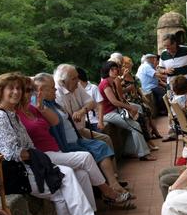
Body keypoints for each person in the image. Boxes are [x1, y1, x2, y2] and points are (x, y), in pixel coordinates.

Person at [0, 72, 96, 215]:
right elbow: (10, 153)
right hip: (17, 173)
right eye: (11, 88)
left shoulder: (12, 114)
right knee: (66, 175)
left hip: (29, 166)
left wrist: (31, 154)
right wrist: (33, 155)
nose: (16, 92)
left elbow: (28, 144)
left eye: (19, 88)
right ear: (0, 91)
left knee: (59, 194)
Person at [17, 76, 130, 206]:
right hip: (55, 150)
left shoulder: (45, 105)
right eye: (27, 90)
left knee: (83, 172)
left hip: (70, 140)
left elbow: (57, 120)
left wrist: (81, 111)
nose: (55, 90)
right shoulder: (29, 107)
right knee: (87, 156)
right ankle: (108, 191)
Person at [98, 61, 157, 161]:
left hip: (115, 111)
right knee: (135, 126)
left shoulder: (111, 82)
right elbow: (114, 101)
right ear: (106, 71)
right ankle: (144, 154)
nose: (115, 71)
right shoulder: (105, 83)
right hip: (108, 114)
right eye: (112, 69)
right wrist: (129, 108)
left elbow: (119, 99)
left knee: (132, 124)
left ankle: (128, 151)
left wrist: (128, 108)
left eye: (116, 68)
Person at [53, 64, 115, 149]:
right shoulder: (56, 93)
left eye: (77, 77)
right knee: (101, 145)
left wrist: (81, 111)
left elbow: (92, 103)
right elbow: (65, 119)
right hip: (70, 134)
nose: (78, 81)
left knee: (106, 139)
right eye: (74, 79)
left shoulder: (77, 86)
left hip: (80, 129)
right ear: (63, 81)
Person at [75, 67, 104, 132]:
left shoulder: (93, 88)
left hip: (94, 121)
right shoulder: (75, 90)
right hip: (83, 122)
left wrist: (100, 121)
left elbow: (100, 105)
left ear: (79, 79)